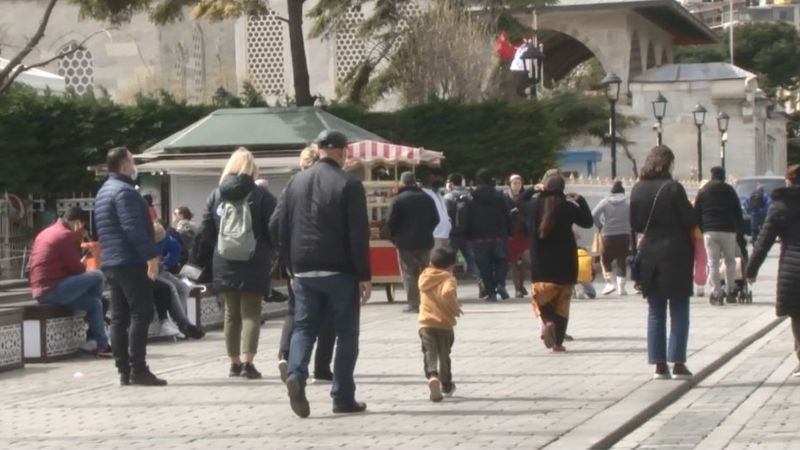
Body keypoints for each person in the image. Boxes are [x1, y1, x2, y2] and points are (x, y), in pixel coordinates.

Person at [272, 130, 371, 418]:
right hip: (339, 269)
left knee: (303, 326)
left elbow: (277, 224)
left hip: (302, 269)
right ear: (343, 152)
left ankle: (296, 373)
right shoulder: (349, 184)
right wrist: (364, 274)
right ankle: (342, 396)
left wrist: (288, 263)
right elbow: (358, 234)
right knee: (346, 332)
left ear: (318, 150)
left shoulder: (295, 182)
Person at [199, 147, 277, 379]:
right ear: (252, 168)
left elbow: (205, 228)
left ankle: (233, 363)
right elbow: (273, 228)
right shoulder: (262, 196)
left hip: (223, 260)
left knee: (231, 314)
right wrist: (267, 250)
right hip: (254, 260)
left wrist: (221, 246)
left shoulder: (215, 195)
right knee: (251, 312)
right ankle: (248, 364)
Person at [94, 147, 165, 386]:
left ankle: (123, 370)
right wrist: (151, 256)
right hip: (130, 261)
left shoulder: (104, 191)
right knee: (141, 313)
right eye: (132, 161)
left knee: (119, 317)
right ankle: (139, 369)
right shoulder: (124, 192)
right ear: (125, 165)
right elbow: (132, 228)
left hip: (112, 262)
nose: (134, 165)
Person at [630, 146, 696, 380]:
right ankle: (678, 362)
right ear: (668, 163)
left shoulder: (637, 189)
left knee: (655, 311)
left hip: (649, 254)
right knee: (679, 308)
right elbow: (689, 219)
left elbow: (636, 224)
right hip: (676, 252)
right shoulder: (673, 188)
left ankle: (659, 364)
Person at [275, 145, 336, 384]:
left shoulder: (292, 186)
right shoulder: (329, 184)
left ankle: (286, 355)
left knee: (295, 311)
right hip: (329, 261)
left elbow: (276, 222)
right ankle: (322, 366)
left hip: (297, 261)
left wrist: (285, 252)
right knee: (328, 313)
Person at [29, 206, 111, 357]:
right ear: (78, 222)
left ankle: (100, 344)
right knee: (98, 275)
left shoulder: (46, 232)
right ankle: (94, 334)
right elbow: (77, 269)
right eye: (83, 225)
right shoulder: (64, 235)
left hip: (42, 289)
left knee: (95, 303)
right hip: (53, 289)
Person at [524, 175, 593, 352]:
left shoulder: (533, 206)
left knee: (541, 300)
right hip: (566, 264)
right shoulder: (568, 207)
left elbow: (518, 202)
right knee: (563, 304)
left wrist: (532, 189)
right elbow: (587, 222)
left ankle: (547, 322)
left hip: (541, 265)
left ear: (545, 187)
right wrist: (581, 200)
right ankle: (558, 343)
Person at [746, 164, 800, 376]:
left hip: (792, 268)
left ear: (788, 181)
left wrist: (751, 270)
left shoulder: (780, 205)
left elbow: (763, 241)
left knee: (797, 314)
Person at [386, 172, 439, 313]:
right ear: (415, 182)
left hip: (405, 243)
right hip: (425, 241)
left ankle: (413, 303)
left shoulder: (398, 199)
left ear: (402, 182)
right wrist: (427, 231)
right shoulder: (427, 198)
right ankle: (428, 302)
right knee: (425, 271)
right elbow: (436, 219)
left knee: (408, 272)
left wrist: (395, 237)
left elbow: (390, 222)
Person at [694, 166, 743, 305]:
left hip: (710, 230)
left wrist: (703, 228)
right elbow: (738, 211)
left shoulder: (703, 191)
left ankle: (717, 293)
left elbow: (697, 212)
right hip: (728, 230)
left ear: (711, 175)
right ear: (723, 176)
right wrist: (738, 229)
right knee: (730, 261)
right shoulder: (729, 190)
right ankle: (730, 291)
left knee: (713, 263)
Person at [418, 247, 461, 402]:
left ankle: (432, 377)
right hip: (444, 324)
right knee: (444, 355)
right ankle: (446, 384)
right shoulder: (449, 278)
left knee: (429, 352)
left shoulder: (424, 276)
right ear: (451, 266)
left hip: (425, 323)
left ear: (430, 263)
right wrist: (455, 308)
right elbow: (447, 293)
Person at [152, 221, 205, 339]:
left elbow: (176, 248)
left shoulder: (164, 238)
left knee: (184, 288)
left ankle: (181, 321)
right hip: (149, 273)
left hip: (160, 271)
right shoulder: (145, 242)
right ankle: (184, 324)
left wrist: (166, 263)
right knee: (171, 287)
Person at [465, 169, 512, 301]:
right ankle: (500, 283)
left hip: (478, 237)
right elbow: (507, 215)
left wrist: (467, 234)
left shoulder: (472, 197)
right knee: (501, 260)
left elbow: (467, 217)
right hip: (498, 235)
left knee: (484, 266)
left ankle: (491, 293)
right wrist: (509, 232)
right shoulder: (499, 196)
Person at [592, 180, 631, 296]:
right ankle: (621, 288)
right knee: (621, 260)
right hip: (624, 235)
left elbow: (594, 214)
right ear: (622, 192)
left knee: (605, 259)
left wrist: (600, 225)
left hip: (607, 235)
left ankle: (610, 283)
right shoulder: (628, 202)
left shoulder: (605, 202)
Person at [443, 173, 480, 282]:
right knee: (472, 260)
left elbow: (446, 215)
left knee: (449, 261)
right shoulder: (469, 195)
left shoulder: (448, 197)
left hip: (452, 233)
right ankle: (481, 281)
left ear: (450, 183)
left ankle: (448, 283)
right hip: (467, 233)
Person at [506, 174, 532, 298]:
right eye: (514, 183)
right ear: (510, 185)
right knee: (514, 263)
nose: (517, 186)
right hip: (511, 233)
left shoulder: (526, 197)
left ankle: (522, 284)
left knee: (527, 261)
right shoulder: (505, 197)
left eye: (519, 183)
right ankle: (517, 289)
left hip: (524, 233)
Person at [420, 171, 452, 250]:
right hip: (435, 233)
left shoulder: (436, 193)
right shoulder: (424, 193)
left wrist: (448, 221)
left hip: (444, 233)